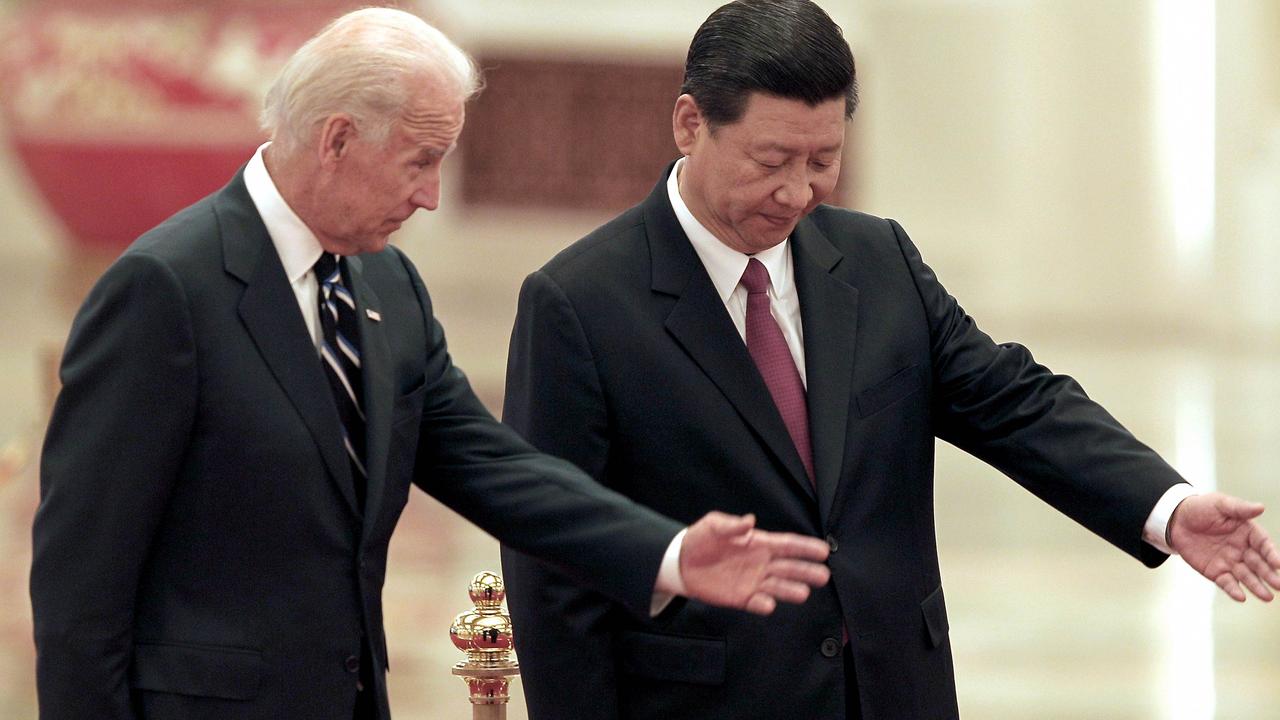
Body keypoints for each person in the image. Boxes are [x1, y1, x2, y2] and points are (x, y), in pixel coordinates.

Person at [28, 8, 836, 720]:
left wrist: (667, 553)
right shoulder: (167, 289)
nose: (432, 197)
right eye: (421, 160)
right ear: (337, 138)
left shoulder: (387, 283)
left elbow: (491, 466)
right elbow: (79, 586)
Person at [499, 1, 1280, 718]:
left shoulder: (877, 261)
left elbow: (1014, 401)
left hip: (895, 691)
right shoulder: (580, 303)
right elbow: (555, 568)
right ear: (689, 123)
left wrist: (1167, 508)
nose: (798, 192)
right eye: (771, 161)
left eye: (823, 159)